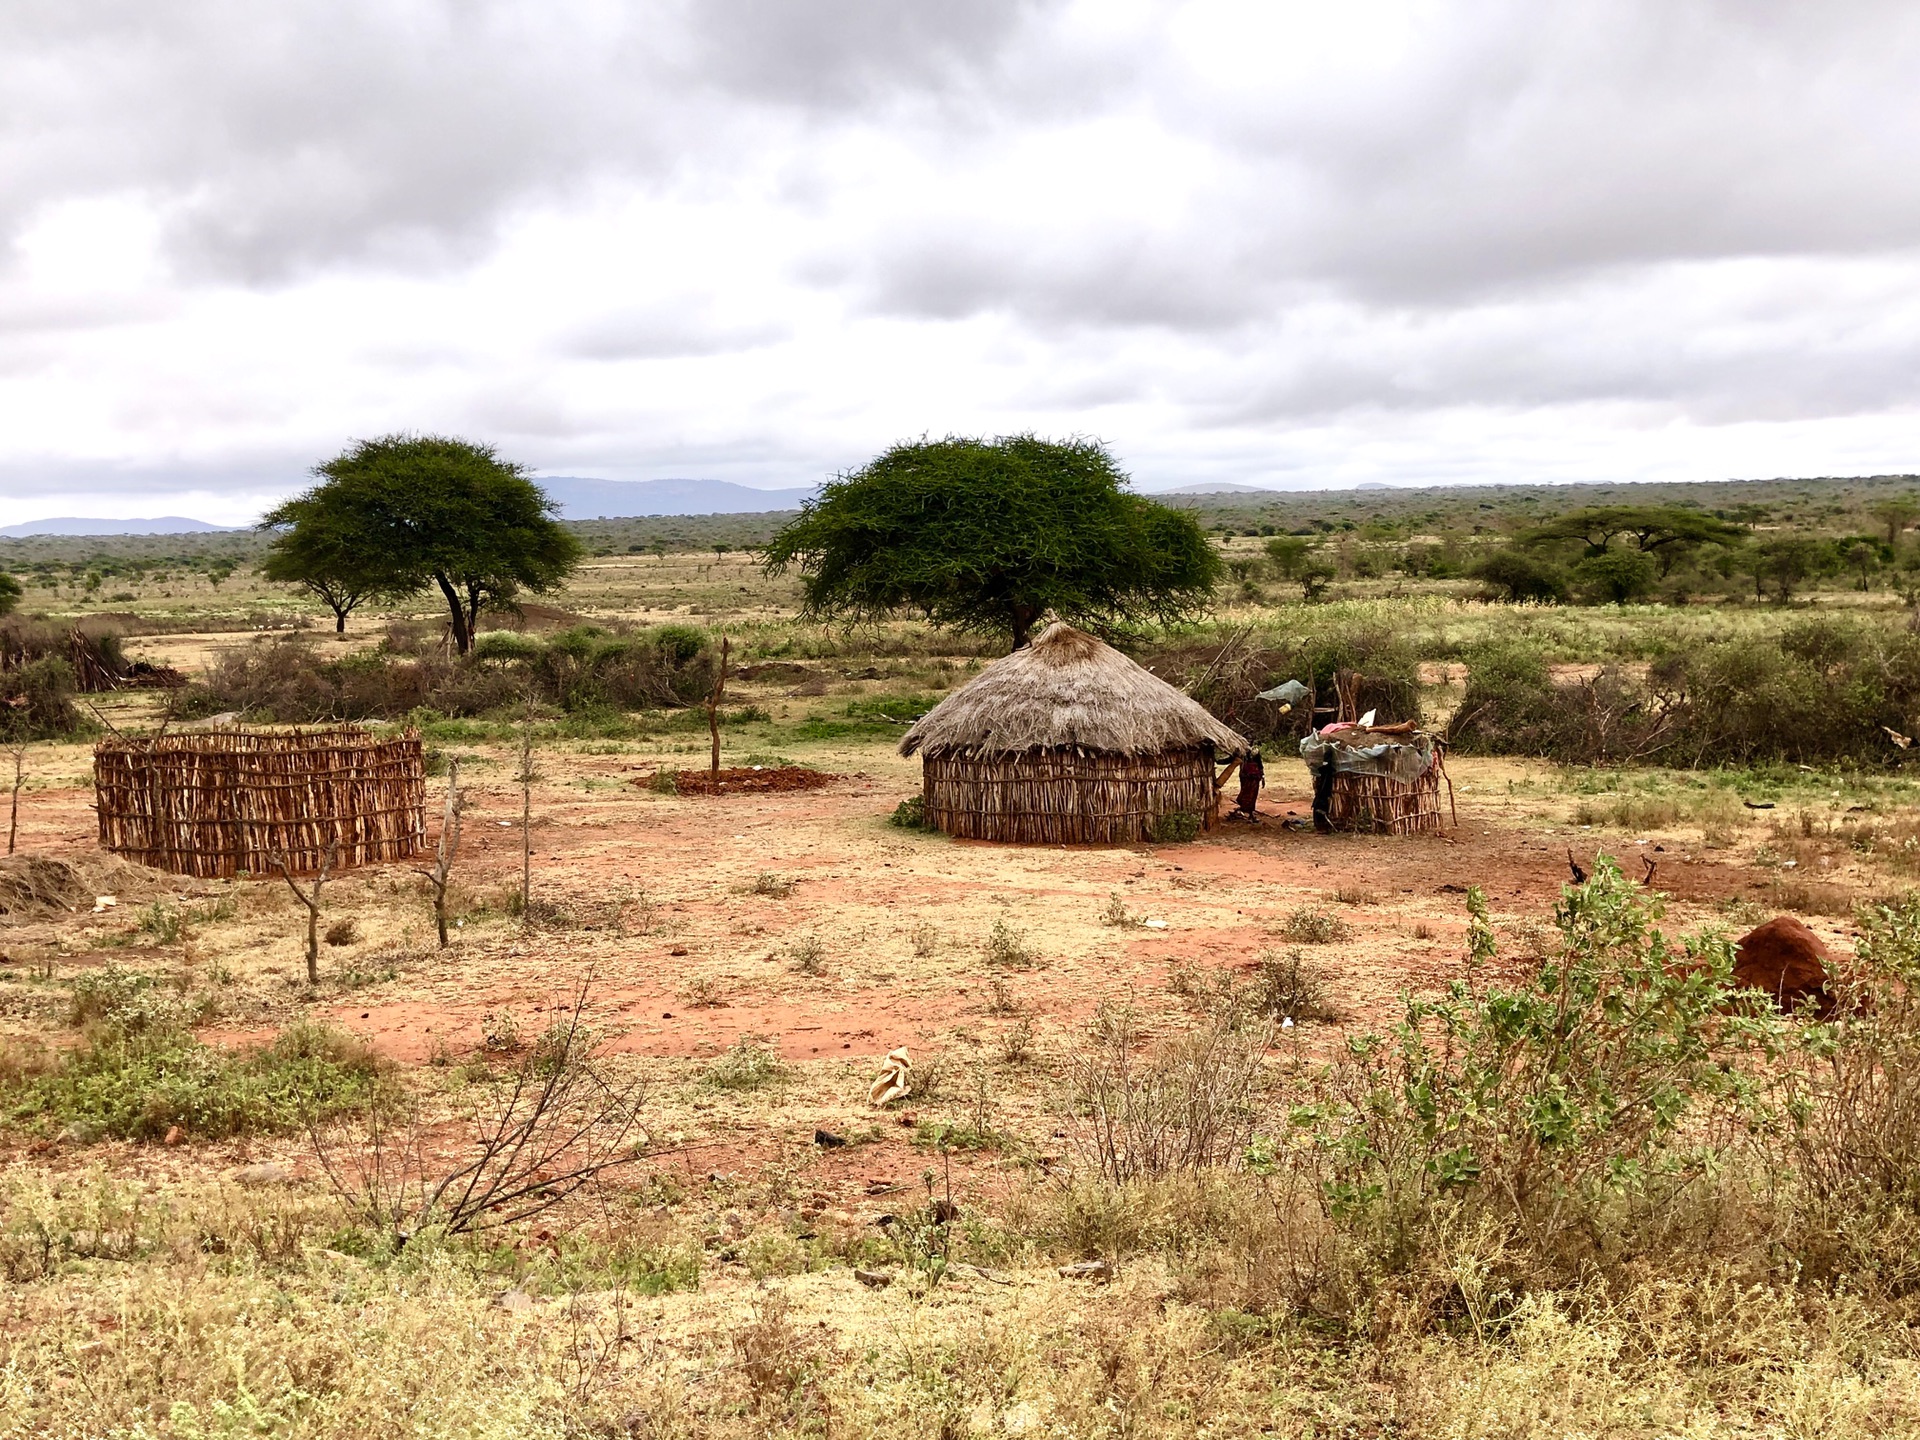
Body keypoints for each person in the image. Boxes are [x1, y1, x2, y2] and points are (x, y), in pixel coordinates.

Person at [1234, 749, 1265, 820]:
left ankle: (1250, 811)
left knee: (1253, 795)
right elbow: (1232, 759)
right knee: (1245, 793)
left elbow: (1260, 765)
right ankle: (1244, 809)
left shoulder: (1255, 751)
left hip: (1254, 778)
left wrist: (1262, 776)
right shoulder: (1241, 751)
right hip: (1245, 777)